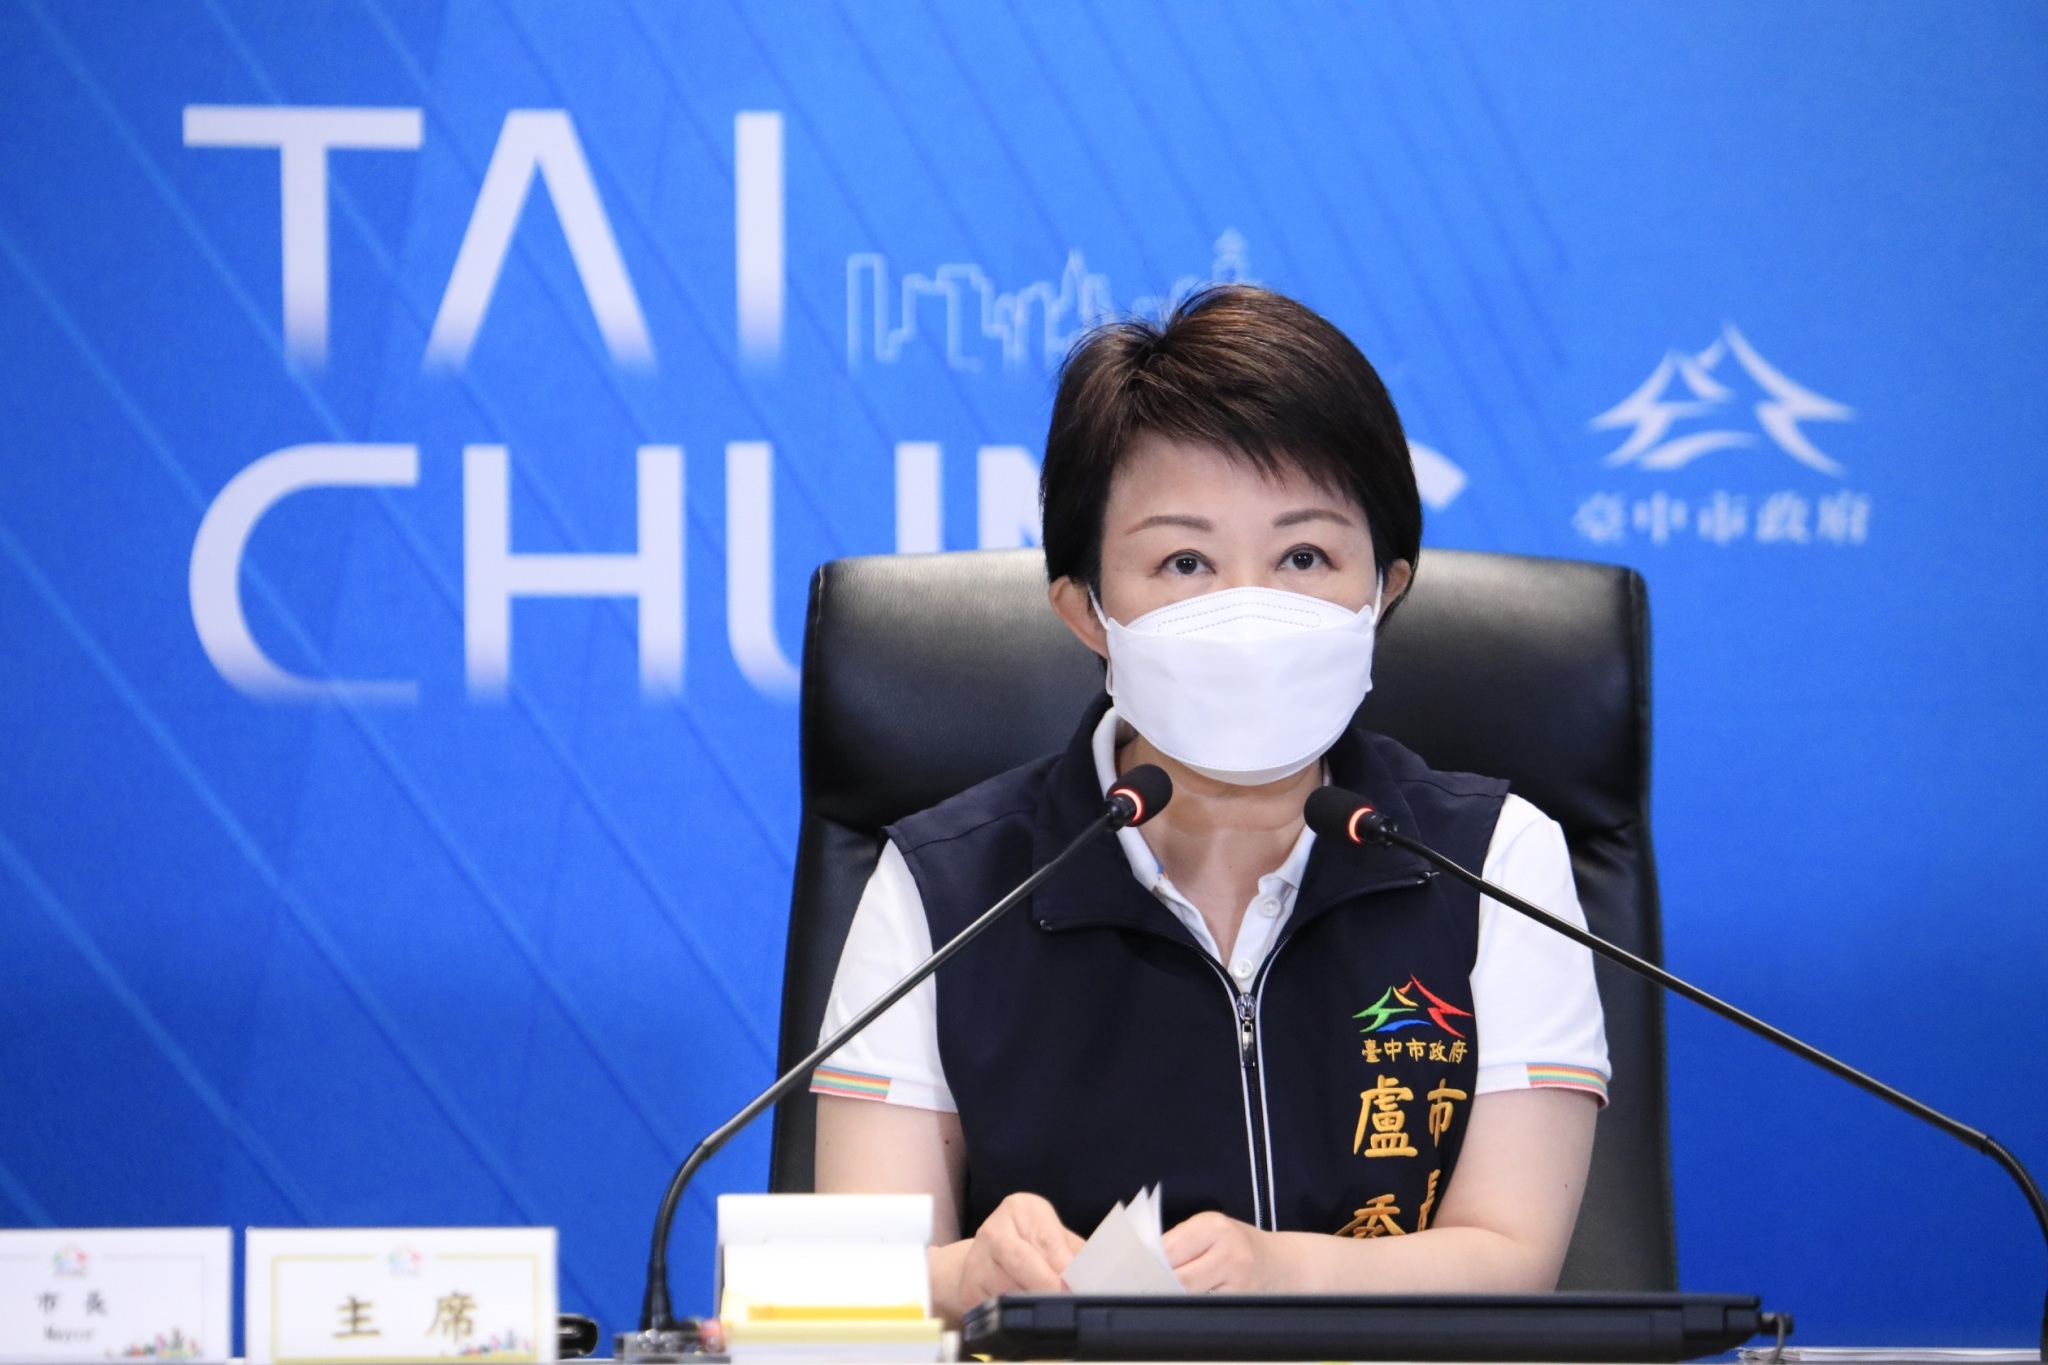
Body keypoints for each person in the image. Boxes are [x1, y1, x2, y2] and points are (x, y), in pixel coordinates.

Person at [810, 285, 1609, 1323]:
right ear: (1086, 610)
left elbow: (1510, 1255)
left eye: (1304, 557)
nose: (1248, 611)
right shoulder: (944, 888)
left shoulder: (1493, 859)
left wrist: (1280, 1277)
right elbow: (848, 1284)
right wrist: (967, 1277)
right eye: (1184, 561)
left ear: (1385, 590)